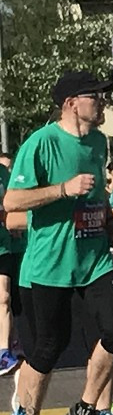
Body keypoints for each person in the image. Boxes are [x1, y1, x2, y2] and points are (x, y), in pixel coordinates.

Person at [5, 70, 113, 415]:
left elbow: (93, 195)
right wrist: (62, 189)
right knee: (48, 349)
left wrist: (109, 221)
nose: (102, 102)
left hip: (93, 257)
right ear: (71, 103)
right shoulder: (41, 143)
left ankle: (85, 409)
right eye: (96, 96)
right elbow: (11, 202)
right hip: (49, 263)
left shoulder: (98, 141)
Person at [0, 155, 26, 376]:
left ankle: (4, 351)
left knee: (4, 297)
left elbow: (13, 203)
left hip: (3, 246)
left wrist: (14, 222)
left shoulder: (3, 173)